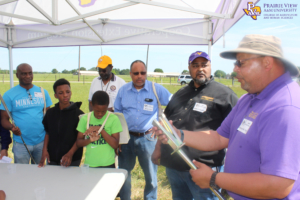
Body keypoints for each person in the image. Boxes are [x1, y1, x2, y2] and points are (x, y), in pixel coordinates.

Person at [154, 34, 300, 200]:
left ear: (267, 62)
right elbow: (218, 138)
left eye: (240, 63)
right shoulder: (249, 98)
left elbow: (279, 186)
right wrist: (178, 134)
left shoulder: (285, 107)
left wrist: (214, 178)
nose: (234, 69)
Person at [152, 51, 238, 200]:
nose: (200, 69)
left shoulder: (225, 96)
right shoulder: (180, 93)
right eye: (195, 65)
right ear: (189, 68)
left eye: (204, 65)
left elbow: (236, 135)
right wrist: (158, 150)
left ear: (210, 67)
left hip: (204, 168)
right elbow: (166, 124)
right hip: (174, 167)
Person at [114, 60, 172, 200]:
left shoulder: (156, 89)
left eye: (143, 73)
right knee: (124, 174)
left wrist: (162, 124)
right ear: (130, 74)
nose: (139, 76)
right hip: (126, 139)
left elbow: (174, 104)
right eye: (136, 73)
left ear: (146, 73)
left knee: (151, 176)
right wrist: (119, 139)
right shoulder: (123, 91)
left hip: (148, 139)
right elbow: (117, 113)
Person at [0, 63, 52, 164]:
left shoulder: (43, 92)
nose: (28, 76)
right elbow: (3, 119)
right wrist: (12, 128)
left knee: (39, 172)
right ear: (17, 75)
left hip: (41, 142)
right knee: (21, 174)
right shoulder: (9, 95)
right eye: (24, 74)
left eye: (30, 73)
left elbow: (49, 116)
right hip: (21, 142)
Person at [38, 79, 84, 167]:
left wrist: (70, 154)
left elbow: (80, 138)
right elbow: (48, 132)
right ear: (55, 95)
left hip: (72, 158)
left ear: (71, 93)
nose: (65, 95)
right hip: (53, 157)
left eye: (67, 92)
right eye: (61, 93)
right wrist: (44, 150)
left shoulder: (79, 114)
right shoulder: (50, 113)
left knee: (70, 180)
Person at [77, 91, 122, 168]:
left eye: (103, 111)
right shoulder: (85, 119)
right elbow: (78, 143)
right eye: (97, 111)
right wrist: (89, 140)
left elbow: (115, 145)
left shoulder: (113, 119)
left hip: (108, 163)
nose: (100, 114)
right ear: (91, 104)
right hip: (90, 163)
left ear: (108, 106)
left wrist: (99, 129)